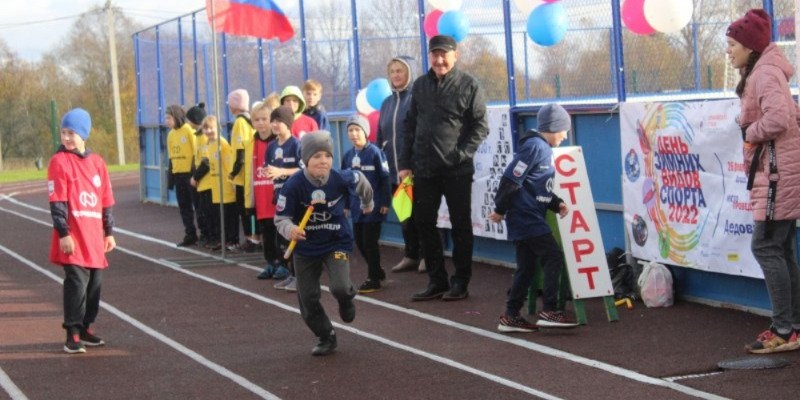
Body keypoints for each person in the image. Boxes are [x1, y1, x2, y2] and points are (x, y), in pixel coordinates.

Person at [726, 9, 800, 354]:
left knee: (766, 247)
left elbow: (781, 118)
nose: (728, 51)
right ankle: (792, 326)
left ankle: (785, 329)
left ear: (750, 47)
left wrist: (748, 132)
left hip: (776, 177)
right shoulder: (763, 72)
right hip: (777, 174)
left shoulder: (765, 74)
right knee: (780, 250)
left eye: (732, 44)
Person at [398, 35, 488, 301]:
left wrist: (461, 154)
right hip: (423, 169)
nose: (439, 60)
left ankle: (461, 282)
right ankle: (436, 281)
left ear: (455, 55)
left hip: (457, 171)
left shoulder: (469, 84)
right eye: (434, 55)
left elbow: (480, 126)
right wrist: (404, 164)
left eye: (444, 54)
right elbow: (409, 126)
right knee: (424, 222)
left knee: (461, 225)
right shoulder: (420, 85)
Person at [275, 130, 374, 356]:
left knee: (339, 286)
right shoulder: (293, 185)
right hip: (306, 247)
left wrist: (368, 203)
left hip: (336, 241)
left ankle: (346, 298)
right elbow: (280, 218)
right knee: (308, 299)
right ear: (305, 159)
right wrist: (290, 229)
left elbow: (362, 180)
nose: (323, 161)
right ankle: (326, 335)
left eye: (327, 156)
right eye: (317, 156)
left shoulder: (340, 177)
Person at [489, 104, 579, 331]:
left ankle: (511, 315)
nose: (565, 136)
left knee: (527, 268)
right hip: (526, 217)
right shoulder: (536, 148)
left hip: (528, 216)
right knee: (553, 256)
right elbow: (511, 179)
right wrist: (500, 208)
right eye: (563, 130)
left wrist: (555, 202)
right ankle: (549, 310)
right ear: (552, 127)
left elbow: (536, 187)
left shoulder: (541, 149)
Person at [48, 108, 116, 354]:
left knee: (94, 285)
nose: (66, 138)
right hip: (74, 237)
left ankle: (87, 327)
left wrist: (109, 231)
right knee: (76, 283)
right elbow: (57, 201)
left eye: (72, 133)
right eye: (63, 132)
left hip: (94, 237)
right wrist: (64, 233)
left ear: (84, 134)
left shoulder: (97, 163)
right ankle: (72, 332)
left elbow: (106, 200)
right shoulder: (59, 162)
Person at [377, 55, 425, 274]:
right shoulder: (386, 103)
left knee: (422, 214)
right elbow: (380, 137)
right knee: (405, 215)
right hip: (394, 171)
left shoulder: (417, 98)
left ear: (410, 73)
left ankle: (428, 256)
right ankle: (411, 255)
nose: (396, 75)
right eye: (392, 71)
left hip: (415, 170)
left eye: (400, 70)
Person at [341, 114, 391, 293]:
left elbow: (385, 178)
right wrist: (346, 204)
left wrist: (385, 201)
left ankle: (373, 278)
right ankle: (377, 270)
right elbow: (344, 182)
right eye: (350, 131)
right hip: (356, 207)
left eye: (357, 130)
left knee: (370, 242)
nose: (354, 134)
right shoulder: (348, 156)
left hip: (374, 206)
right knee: (360, 242)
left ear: (365, 132)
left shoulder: (375, 153)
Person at [265, 105, 303, 291]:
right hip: (279, 196)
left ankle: (300, 278)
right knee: (283, 239)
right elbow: (269, 169)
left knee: (294, 237)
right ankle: (291, 274)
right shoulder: (271, 147)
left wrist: (281, 171)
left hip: (295, 197)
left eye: (278, 121)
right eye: (272, 121)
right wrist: (269, 173)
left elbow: (304, 169)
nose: (274, 124)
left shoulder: (296, 145)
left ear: (288, 124)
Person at [190, 115, 236, 252]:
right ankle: (223, 240)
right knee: (217, 215)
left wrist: (231, 181)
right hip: (216, 187)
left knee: (228, 215)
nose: (209, 131)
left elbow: (228, 163)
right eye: (206, 128)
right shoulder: (208, 144)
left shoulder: (222, 144)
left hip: (225, 186)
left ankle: (232, 241)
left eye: (211, 128)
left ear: (218, 128)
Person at [249, 100, 283, 279]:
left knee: (280, 232)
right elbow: (250, 172)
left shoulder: (278, 143)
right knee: (266, 233)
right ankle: (270, 262)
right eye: (257, 120)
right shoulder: (252, 142)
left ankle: (283, 263)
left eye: (264, 119)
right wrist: (249, 200)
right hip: (261, 197)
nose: (261, 123)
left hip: (276, 196)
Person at [165, 104, 199, 247]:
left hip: (190, 175)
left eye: (169, 117)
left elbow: (196, 152)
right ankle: (190, 234)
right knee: (184, 206)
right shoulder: (171, 135)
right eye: (166, 118)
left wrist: (194, 174)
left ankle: (205, 233)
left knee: (198, 205)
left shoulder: (188, 131)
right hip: (179, 175)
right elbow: (171, 157)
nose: (167, 121)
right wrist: (171, 177)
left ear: (177, 117)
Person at [227, 89, 254, 251]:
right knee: (249, 207)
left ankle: (250, 238)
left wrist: (234, 172)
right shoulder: (250, 120)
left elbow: (239, 150)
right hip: (250, 171)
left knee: (244, 208)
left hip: (243, 174)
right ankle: (253, 237)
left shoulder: (239, 122)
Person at [186, 102, 210, 246]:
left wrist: (195, 177)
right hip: (200, 180)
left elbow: (206, 161)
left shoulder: (204, 138)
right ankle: (205, 235)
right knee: (200, 209)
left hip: (205, 181)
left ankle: (209, 235)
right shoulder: (197, 137)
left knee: (205, 210)